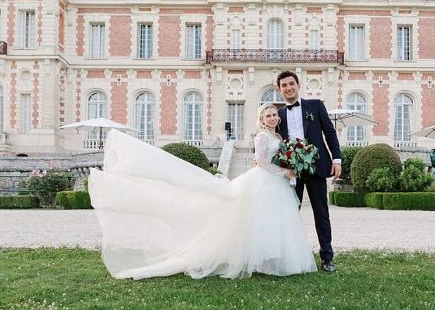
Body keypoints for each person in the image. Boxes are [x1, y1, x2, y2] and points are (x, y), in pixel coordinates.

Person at [88, 104, 317, 279]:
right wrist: (284, 172)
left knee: (275, 222)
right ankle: (263, 262)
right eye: (268, 115)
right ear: (261, 119)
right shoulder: (261, 136)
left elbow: (271, 160)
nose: (273, 117)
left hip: (275, 184)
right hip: (266, 182)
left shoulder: (278, 136)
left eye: (274, 114)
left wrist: (289, 167)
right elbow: (261, 161)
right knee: (261, 222)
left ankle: (273, 260)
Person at [276, 70, 342, 272]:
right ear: (280, 91)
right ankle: (289, 256)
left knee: (321, 213)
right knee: (290, 214)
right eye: (284, 86)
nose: (288, 88)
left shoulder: (315, 105)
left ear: (298, 85)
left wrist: (336, 159)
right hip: (292, 171)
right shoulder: (277, 116)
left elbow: (330, 133)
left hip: (317, 167)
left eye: (291, 84)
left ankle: (327, 257)